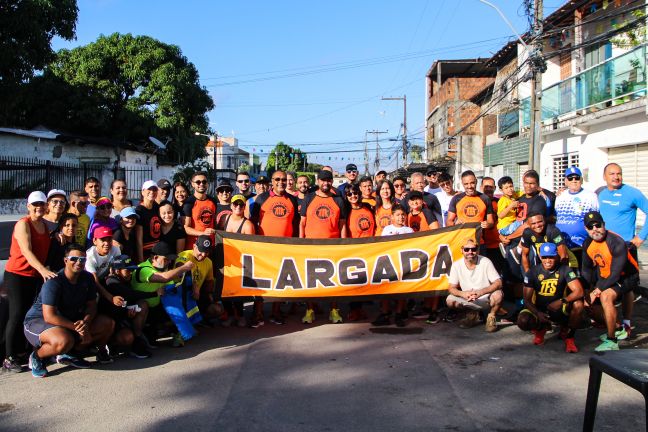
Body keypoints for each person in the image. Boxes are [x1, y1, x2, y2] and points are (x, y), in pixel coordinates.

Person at [23, 244, 116, 377]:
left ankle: (80, 354)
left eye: (82, 260)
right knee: (63, 340)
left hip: (68, 322)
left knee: (107, 324)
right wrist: (76, 328)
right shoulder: (54, 281)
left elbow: (91, 306)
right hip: (39, 321)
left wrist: (86, 323)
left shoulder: (88, 278)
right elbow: (49, 316)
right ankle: (37, 357)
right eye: (74, 259)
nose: (79, 262)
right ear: (65, 260)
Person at [2, 191, 56, 373]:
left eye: (42, 204)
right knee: (16, 314)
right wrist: (43, 271)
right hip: (17, 274)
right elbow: (26, 251)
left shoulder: (44, 226)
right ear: (28, 206)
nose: (39, 207)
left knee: (29, 315)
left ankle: (23, 352)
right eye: (35, 204)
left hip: (33, 276)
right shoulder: (22, 225)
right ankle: (9, 358)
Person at [582, 211, 639, 351]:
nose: (595, 229)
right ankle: (618, 326)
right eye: (590, 227)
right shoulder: (587, 243)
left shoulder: (616, 242)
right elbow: (586, 269)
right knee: (587, 301)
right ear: (586, 229)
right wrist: (586, 291)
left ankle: (612, 340)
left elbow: (615, 274)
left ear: (604, 225)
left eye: (598, 225)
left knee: (605, 296)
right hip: (606, 275)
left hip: (626, 275)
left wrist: (596, 291)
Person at [250, 170, 300, 326]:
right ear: (271, 181)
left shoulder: (292, 199)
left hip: (285, 249)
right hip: (264, 249)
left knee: (281, 282)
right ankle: (257, 314)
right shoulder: (261, 199)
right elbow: (253, 222)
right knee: (261, 282)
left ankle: (275, 312)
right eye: (277, 179)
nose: (281, 182)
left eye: (284, 179)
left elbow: (296, 224)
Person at [517, 243, 584, 353]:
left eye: (551, 257)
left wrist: (562, 301)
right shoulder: (532, 272)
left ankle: (569, 337)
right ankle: (540, 330)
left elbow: (579, 291)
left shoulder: (565, 269)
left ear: (557, 256)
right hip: (540, 308)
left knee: (578, 305)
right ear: (540, 257)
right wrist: (538, 313)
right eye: (544, 257)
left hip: (560, 308)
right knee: (523, 320)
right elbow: (527, 300)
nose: (547, 260)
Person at [300, 169, 347, 324]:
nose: (325, 183)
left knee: (334, 280)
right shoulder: (309, 198)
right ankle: (309, 310)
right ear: (317, 181)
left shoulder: (338, 200)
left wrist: (344, 244)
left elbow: (342, 225)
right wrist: (301, 243)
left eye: (328, 180)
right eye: (322, 180)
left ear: (331, 182)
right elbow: (302, 223)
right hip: (311, 247)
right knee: (310, 281)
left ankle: (334, 310)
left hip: (332, 248)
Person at [597, 162, 648, 296]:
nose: (616, 177)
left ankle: (626, 318)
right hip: (604, 246)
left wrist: (641, 236)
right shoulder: (599, 193)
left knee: (627, 286)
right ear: (604, 176)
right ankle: (604, 314)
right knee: (603, 282)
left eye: (619, 173)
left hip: (625, 246)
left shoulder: (632, 193)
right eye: (612, 174)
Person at [131, 242, 195, 347]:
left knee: (177, 297)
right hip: (136, 309)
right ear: (155, 258)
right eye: (166, 259)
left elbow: (171, 283)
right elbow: (164, 277)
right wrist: (183, 268)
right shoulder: (143, 269)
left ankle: (180, 332)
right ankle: (137, 340)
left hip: (155, 309)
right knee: (143, 305)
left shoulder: (162, 269)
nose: (169, 262)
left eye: (170, 259)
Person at [101, 255, 158, 359]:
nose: (131, 273)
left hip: (123, 318)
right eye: (128, 270)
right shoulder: (111, 282)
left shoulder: (125, 280)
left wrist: (128, 310)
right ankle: (111, 344)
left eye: (132, 270)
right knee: (126, 338)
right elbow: (131, 294)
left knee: (143, 304)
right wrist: (155, 293)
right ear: (117, 271)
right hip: (112, 323)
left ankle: (137, 339)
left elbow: (128, 301)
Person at [445, 238, 502, 332]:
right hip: (468, 298)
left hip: (485, 298)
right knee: (450, 300)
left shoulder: (485, 261)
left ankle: (491, 317)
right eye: (467, 249)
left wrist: (481, 292)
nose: (470, 252)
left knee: (498, 294)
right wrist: (463, 294)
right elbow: (451, 288)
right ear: (462, 250)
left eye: (473, 249)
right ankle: (472, 315)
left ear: (477, 250)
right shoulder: (456, 265)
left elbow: (498, 282)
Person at [372, 204, 413, 327]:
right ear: (392, 217)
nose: (401, 217)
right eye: (398, 215)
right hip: (388, 263)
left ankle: (399, 313)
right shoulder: (386, 229)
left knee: (401, 289)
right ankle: (385, 313)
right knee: (385, 289)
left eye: (402, 215)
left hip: (402, 263)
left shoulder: (409, 230)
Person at [220, 194, 254, 327]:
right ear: (231, 206)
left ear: (245, 207)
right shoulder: (225, 219)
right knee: (224, 291)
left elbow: (251, 247)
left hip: (239, 263)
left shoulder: (248, 225)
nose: (238, 207)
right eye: (235, 204)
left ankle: (240, 316)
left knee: (237, 292)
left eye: (241, 205)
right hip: (225, 261)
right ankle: (229, 314)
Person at [344, 183, 375, 322]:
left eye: (355, 193)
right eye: (349, 194)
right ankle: (354, 310)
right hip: (354, 250)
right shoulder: (345, 211)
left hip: (369, 250)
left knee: (365, 283)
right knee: (355, 283)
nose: (353, 196)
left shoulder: (368, 207)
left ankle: (360, 309)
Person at [446, 170, 494, 253]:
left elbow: (491, 222)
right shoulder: (456, 199)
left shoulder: (485, 198)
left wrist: (488, 224)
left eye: (472, 183)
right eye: (466, 184)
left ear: (476, 181)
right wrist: (454, 223)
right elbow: (448, 222)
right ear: (462, 184)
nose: (469, 186)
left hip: (479, 243)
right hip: (461, 243)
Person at [555, 166, 599, 254]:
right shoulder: (560, 195)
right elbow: (555, 217)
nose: (574, 180)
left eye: (577, 178)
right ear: (566, 181)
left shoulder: (591, 196)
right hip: (560, 243)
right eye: (570, 178)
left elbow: (596, 219)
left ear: (581, 180)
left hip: (581, 244)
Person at [85, 227, 122, 303]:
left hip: (104, 278)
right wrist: (111, 298)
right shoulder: (89, 256)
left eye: (109, 239)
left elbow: (118, 268)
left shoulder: (116, 250)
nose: (107, 243)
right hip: (90, 283)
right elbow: (95, 281)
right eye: (103, 240)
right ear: (95, 241)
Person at [183, 172, 217, 251]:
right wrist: (202, 233)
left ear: (207, 184)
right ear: (193, 184)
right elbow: (186, 228)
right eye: (198, 182)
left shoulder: (213, 201)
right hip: (195, 246)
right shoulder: (189, 202)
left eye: (204, 182)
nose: (201, 184)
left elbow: (214, 222)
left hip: (210, 245)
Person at [135, 180, 162, 262]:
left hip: (158, 251)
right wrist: (141, 260)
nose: (152, 192)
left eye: (154, 190)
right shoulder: (139, 210)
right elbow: (139, 239)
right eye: (149, 189)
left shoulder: (157, 208)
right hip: (146, 252)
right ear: (143, 192)